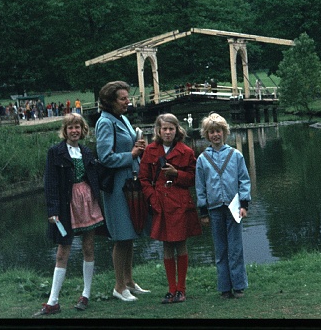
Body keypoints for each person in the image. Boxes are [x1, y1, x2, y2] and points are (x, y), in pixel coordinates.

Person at [34, 112, 104, 317]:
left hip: (87, 201)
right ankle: (53, 301)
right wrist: (53, 209)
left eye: (78, 127)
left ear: (83, 130)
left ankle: (86, 294)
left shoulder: (86, 151)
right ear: (64, 131)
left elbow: (95, 176)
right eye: (70, 127)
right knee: (62, 250)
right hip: (66, 205)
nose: (74, 131)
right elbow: (51, 183)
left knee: (88, 246)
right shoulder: (55, 152)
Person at [95, 80, 150, 302]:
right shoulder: (104, 123)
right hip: (117, 186)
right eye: (123, 99)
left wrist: (139, 147)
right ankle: (119, 287)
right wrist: (133, 154)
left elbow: (129, 146)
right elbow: (105, 157)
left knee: (130, 234)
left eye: (128, 97)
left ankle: (129, 281)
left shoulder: (123, 119)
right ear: (110, 102)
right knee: (121, 236)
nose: (128, 102)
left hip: (130, 183)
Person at [138, 113, 202, 304]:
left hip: (181, 203)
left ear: (177, 130)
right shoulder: (150, 150)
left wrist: (176, 174)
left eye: (171, 129)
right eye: (164, 129)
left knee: (181, 243)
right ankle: (171, 289)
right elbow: (143, 179)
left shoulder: (187, 151)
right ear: (158, 130)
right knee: (166, 245)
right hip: (160, 204)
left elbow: (193, 179)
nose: (167, 132)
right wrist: (152, 198)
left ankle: (181, 289)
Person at [195, 112, 251, 299]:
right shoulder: (202, 159)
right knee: (220, 249)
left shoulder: (236, 155)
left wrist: (244, 204)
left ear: (224, 132)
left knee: (236, 248)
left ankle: (239, 285)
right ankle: (224, 287)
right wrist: (202, 210)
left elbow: (244, 180)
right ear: (206, 134)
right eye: (211, 132)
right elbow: (200, 186)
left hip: (233, 207)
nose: (215, 135)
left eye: (218, 131)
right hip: (214, 208)